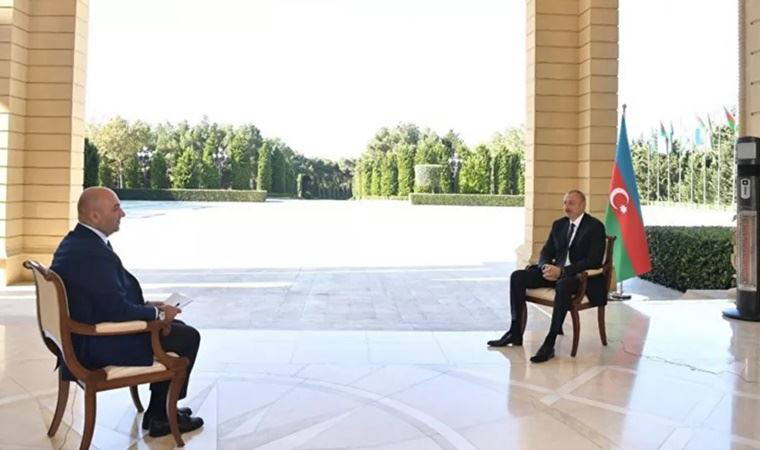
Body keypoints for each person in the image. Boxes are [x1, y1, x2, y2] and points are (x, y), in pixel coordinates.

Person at [50, 187, 204, 437]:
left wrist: (152, 306)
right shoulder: (93, 254)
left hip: (82, 335)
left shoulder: (78, 241)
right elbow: (116, 309)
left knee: (178, 330)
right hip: (95, 344)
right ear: (95, 216)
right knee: (187, 337)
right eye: (116, 208)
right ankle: (162, 416)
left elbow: (105, 297)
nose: (122, 213)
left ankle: (159, 411)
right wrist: (157, 315)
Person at [487, 190, 607, 363]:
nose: (566, 207)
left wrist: (563, 272)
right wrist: (545, 268)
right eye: (565, 202)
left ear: (582, 205)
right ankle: (515, 332)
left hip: (579, 278)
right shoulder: (559, 224)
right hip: (555, 273)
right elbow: (546, 252)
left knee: (563, 285)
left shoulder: (595, 227)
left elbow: (594, 260)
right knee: (517, 277)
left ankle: (550, 342)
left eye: (571, 203)